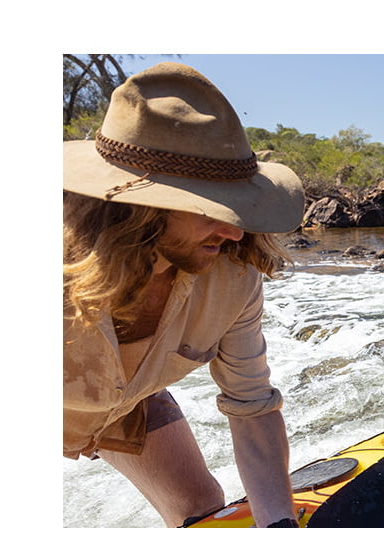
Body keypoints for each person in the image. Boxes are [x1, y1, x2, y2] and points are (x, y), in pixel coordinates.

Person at [63, 62, 307, 528]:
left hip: (130, 402)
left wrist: (280, 528)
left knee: (200, 506)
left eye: (237, 205)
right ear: (140, 207)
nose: (235, 231)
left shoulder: (234, 279)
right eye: (209, 208)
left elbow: (251, 406)